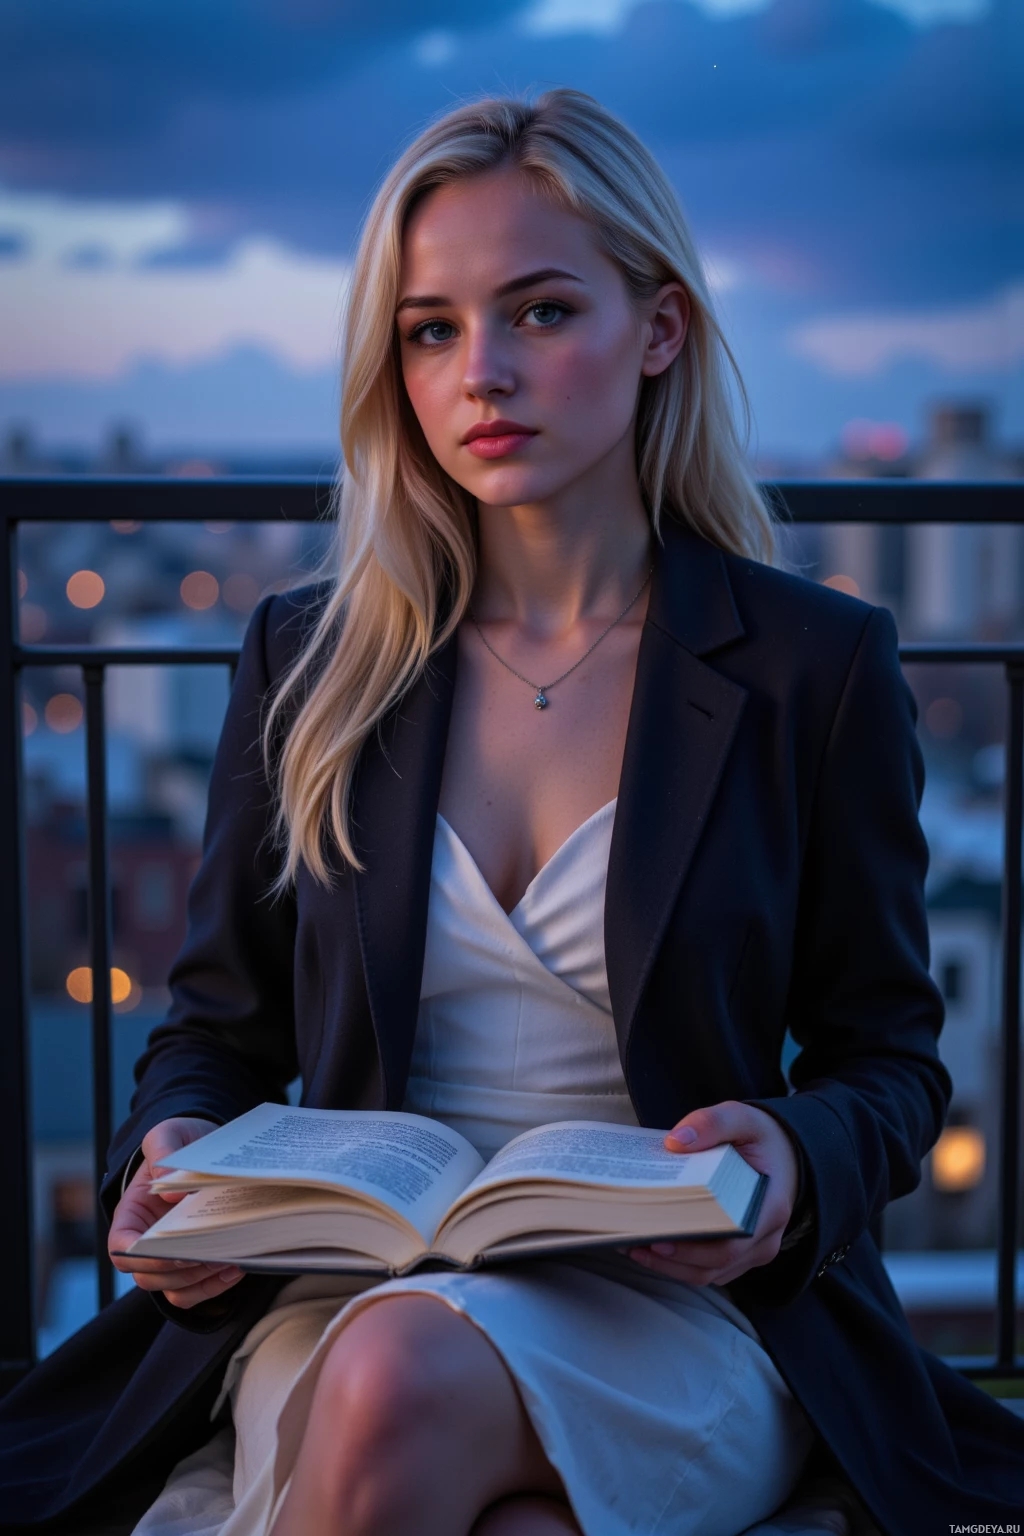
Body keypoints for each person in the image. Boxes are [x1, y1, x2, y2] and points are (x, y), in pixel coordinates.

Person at [1, 87, 1022, 1536]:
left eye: (541, 312)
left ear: (658, 330)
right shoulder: (313, 659)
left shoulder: (812, 667)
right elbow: (213, 1036)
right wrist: (168, 1162)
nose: (483, 371)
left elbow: (891, 1061)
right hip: (350, 1292)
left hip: (679, 1318)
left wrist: (792, 1159)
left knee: (399, 1386)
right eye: (432, 328)